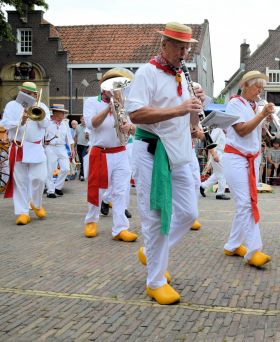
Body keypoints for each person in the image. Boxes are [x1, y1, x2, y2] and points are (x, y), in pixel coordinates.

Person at [126, 22, 204, 305]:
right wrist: (180, 107)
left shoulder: (182, 76)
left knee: (188, 212)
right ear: (164, 45)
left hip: (179, 153)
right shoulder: (147, 73)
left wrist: (195, 109)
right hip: (152, 152)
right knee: (155, 216)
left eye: (187, 48)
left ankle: (152, 253)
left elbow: (189, 121)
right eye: (180, 47)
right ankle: (155, 281)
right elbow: (135, 114)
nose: (184, 52)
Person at [222, 70, 274, 268]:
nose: (259, 91)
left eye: (262, 88)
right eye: (256, 87)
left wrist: (265, 119)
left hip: (251, 158)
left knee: (245, 203)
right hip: (236, 157)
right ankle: (254, 249)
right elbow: (242, 130)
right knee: (246, 203)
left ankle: (233, 244)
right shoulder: (234, 103)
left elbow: (257, 133)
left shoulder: (254, 106)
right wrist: (262, 114)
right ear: (245, 86)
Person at [82, 68, 137, 242]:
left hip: (120, 152)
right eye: (111, 86)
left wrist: (128, 126)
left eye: (118, 86)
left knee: (121, 191)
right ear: (102, 86)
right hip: (101, 153)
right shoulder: (92, 101)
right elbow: (92, 125)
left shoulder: (126, 104)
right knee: (97, 191)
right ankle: (91, 221)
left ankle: (120, 228)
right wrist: (109, 108)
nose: (115, 89)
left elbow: (133, 128)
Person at [1, 82, 50, 224]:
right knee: (20, 182)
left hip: (35, 148)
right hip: (18, 147)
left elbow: (46, 124)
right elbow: (5, 123)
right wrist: (20, 121)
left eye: (31, 94)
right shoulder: (11, 105)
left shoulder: (41, 105)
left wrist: (36, 112)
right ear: (21, 92)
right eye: (25, 93)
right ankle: (22, 212)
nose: (28, 96)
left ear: (35, 94)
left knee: (39, 178)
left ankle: (36, 203)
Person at [44, 104, 74, 198]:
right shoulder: (47, 123)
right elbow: (42, 136)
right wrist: (44, 141)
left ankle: (58, 187)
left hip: (61, 148)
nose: (63, 115)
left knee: (66, 168)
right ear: (55, 113)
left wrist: (72, 149)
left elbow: (69, 138)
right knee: (50, 169)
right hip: (50, 148)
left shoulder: (65, 124)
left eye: (63, 113)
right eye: (61, 113)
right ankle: (50, 191)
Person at [200, 127, 230, 200]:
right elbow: (210, 142)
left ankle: (203, 186)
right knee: (222, 173)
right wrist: (214, 154)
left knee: (217, 174)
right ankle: (220, 193)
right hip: (217, 153)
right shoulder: (217, 129)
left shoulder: (222, 130)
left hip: (221, 153)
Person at [74, 116, 89, 181]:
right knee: (80, 160)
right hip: (79, 145)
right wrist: (74, 146)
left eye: (85, 119)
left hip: (86, 145)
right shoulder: (77, 127)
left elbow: (93, 137)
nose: (84, 120)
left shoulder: (89, 127)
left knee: (83, 160)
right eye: (82, 119)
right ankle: (82, 174)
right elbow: (76, 136)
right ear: (80, 119)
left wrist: (88, 137)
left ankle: (82, 175)